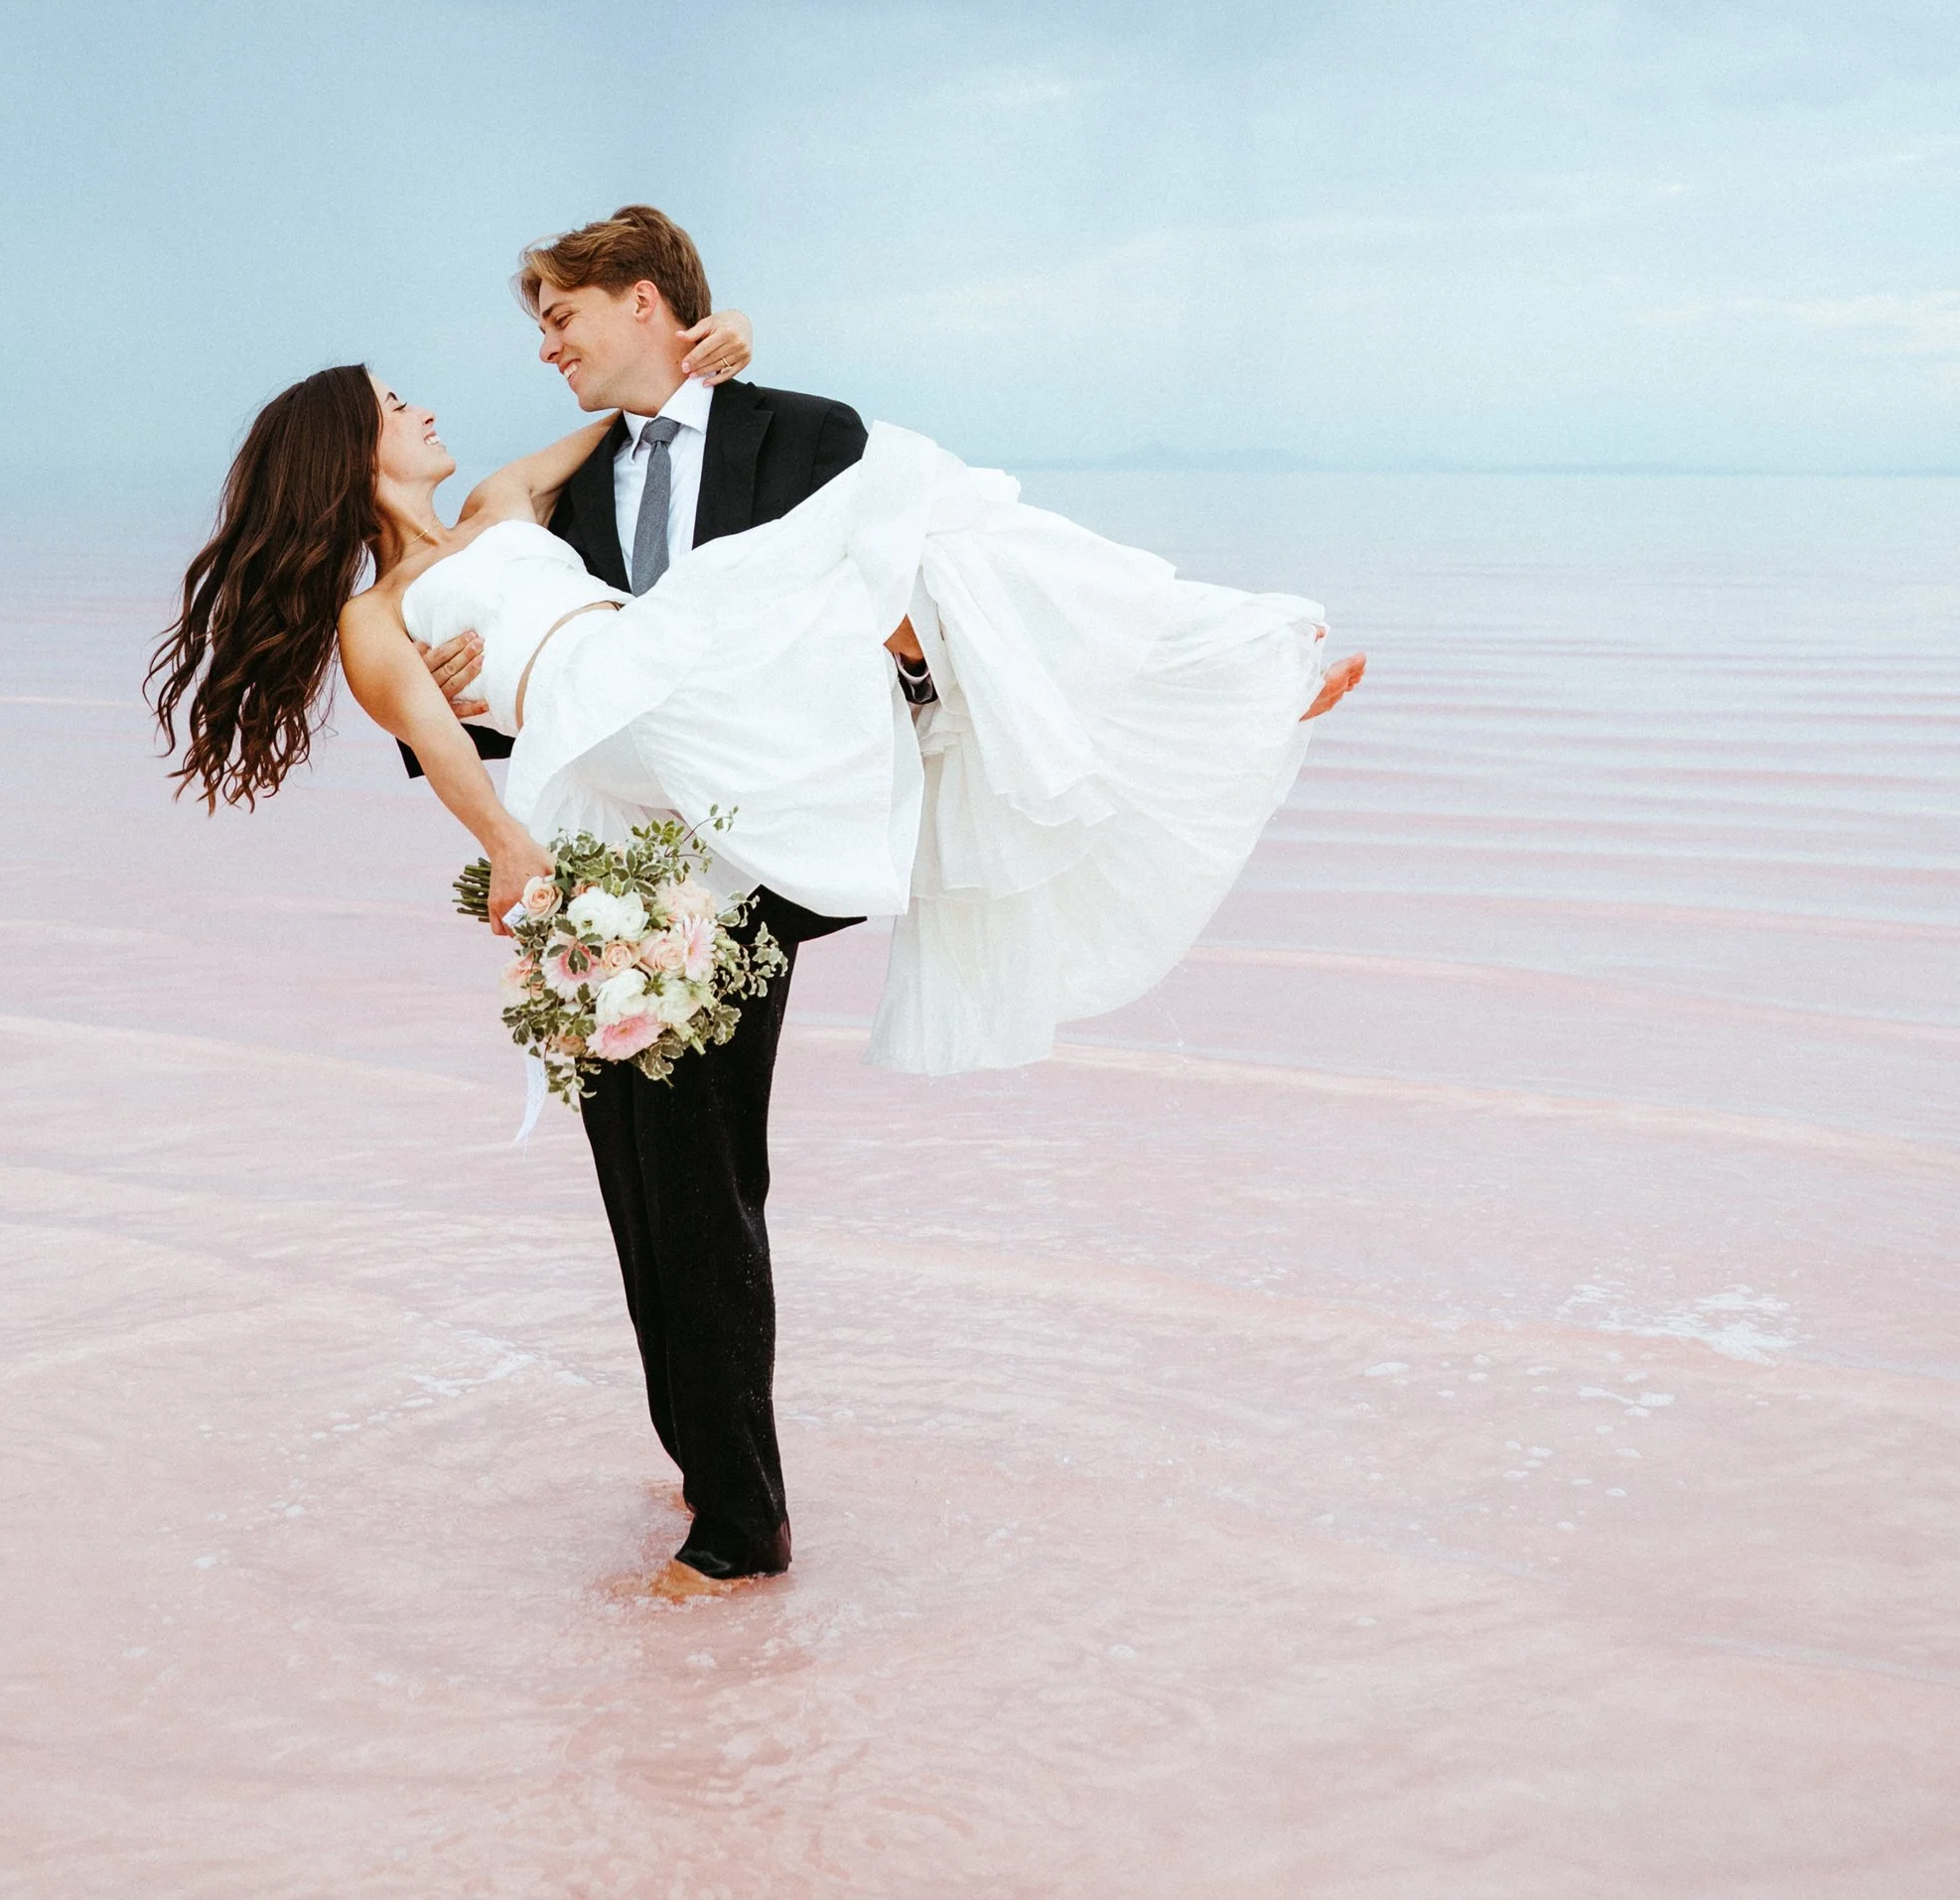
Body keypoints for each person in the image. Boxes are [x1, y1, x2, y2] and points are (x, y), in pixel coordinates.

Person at [150, 206, 1363, 1591]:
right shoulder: (385, 615)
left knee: (923, 529)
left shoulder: (500, 500)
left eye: (560, 317)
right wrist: (519, 853)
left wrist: (717, 351)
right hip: (620, 815)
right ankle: (707, 1460)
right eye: (392, 405)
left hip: (687, 713)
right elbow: (440, 747)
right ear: (348, 452)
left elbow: (629, 426)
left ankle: (1218, 680)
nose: (437, 398)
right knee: (657, 1186)